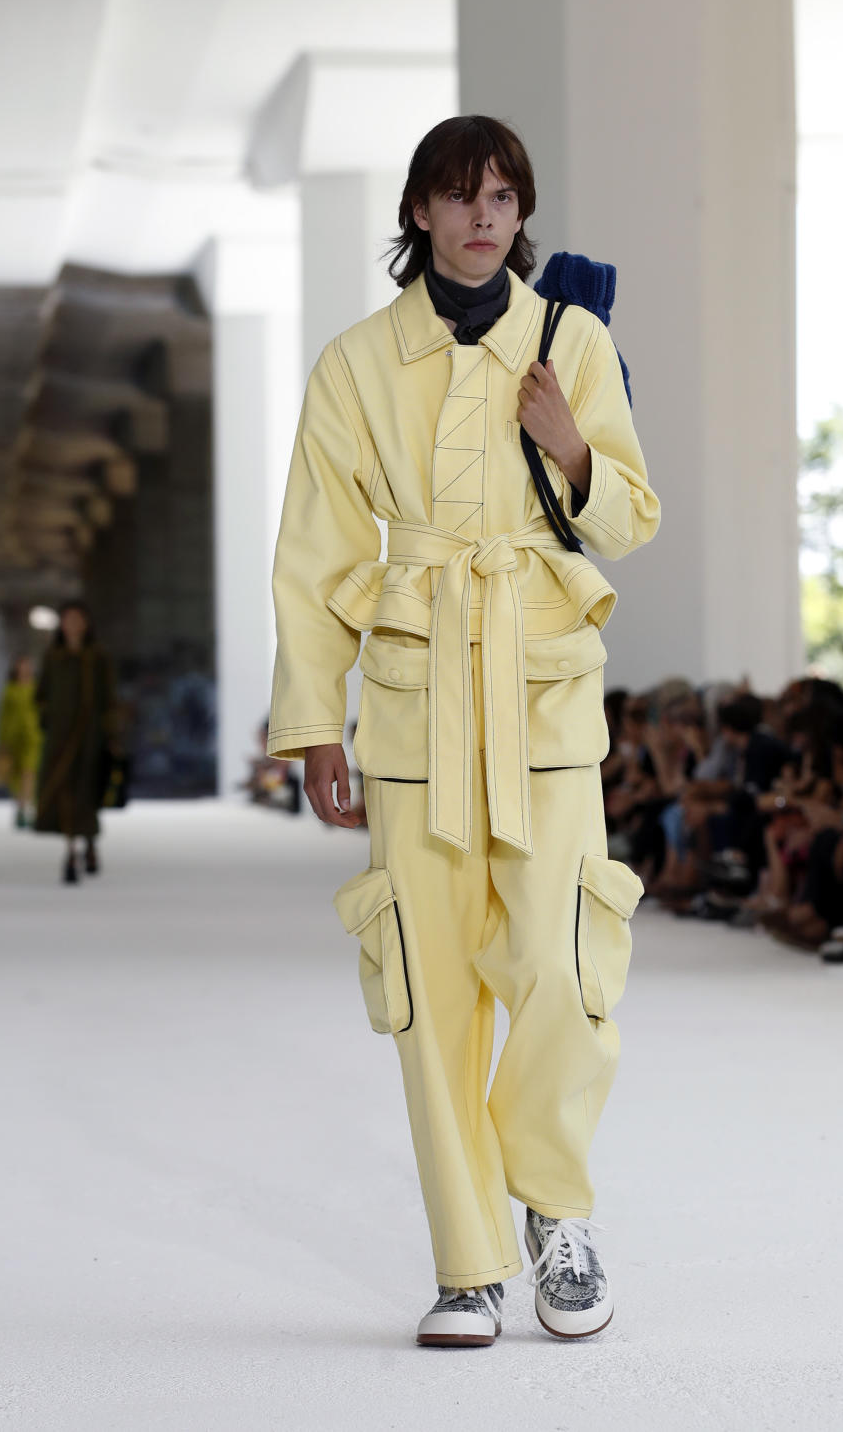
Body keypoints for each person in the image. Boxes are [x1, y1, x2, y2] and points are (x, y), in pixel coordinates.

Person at [268, 115, 660, 1346]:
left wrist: (571, 445)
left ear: (519, 213)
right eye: (459, 195)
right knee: (429, 986)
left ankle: (554, 1208)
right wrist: (311, 722)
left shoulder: (573, 340)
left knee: (559, 960)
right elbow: (315, 556)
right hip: (411, 699)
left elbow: (634, 518)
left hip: (543, 689)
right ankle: (469, 1261)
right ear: (420, 214)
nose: (484, 215)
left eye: (502, 195)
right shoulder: (355, 365)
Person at [34, 601, 116, 884]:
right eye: (68, 619)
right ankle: (70, 850)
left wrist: (111, 732)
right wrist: (48, 718)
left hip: (91, 737)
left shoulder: (97, 657)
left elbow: (108, 698)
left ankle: (90, 843)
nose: (73, 624)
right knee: (65, 791)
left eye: (78, 619)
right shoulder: (53, 657)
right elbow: (41, 693)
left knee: (87, 791)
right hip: (59, 736)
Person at [0, 656, 42, 828]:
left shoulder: (36, 687)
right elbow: (3, 715)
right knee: (16, 775)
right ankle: (21, 808)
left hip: (33, 736)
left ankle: (28, 807)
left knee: (29, 772)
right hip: (13, 738)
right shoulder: (10, 689)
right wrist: (2, 739)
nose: (24, 668)